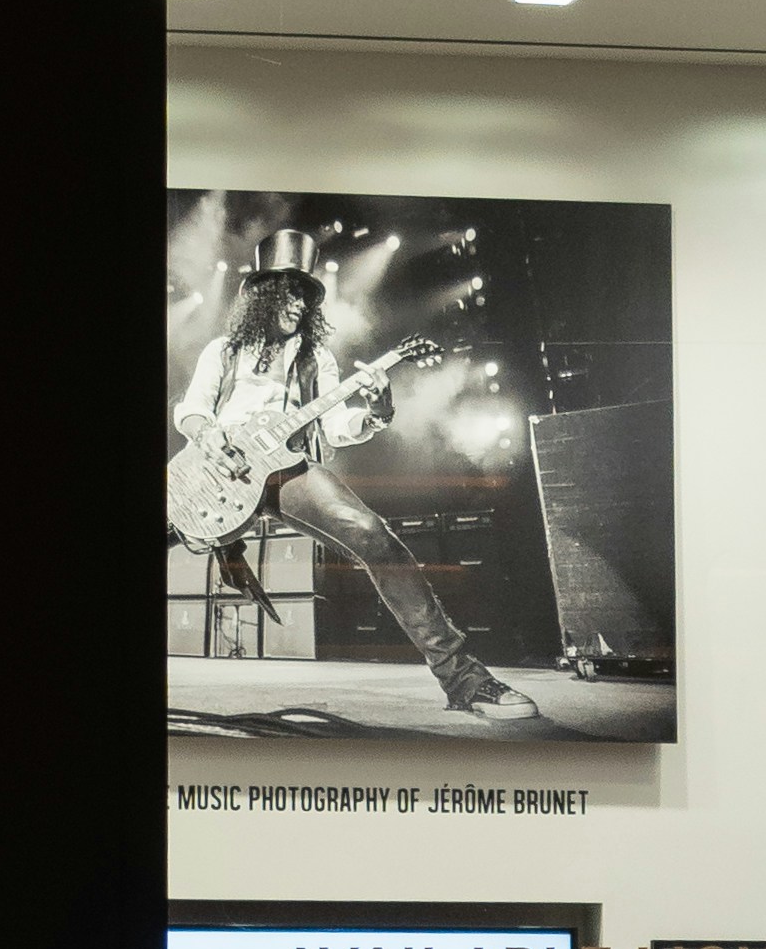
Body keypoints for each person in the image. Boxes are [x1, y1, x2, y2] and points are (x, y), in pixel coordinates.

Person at [171, 232, 537, 724]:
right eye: (288, 291)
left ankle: (466, 681)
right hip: (211, 472)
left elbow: (336, 428)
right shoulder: (225, 349)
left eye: (305, 294)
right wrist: (209, 436)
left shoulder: (315, 358)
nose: (298, 302)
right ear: (262, 293)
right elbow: (191, 410)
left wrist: (377, 412)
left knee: (375, 537)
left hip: (286, 473)